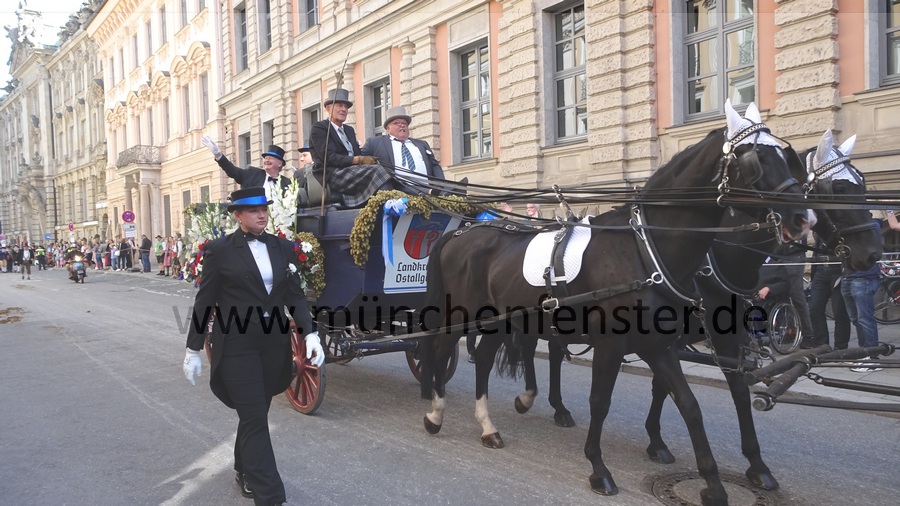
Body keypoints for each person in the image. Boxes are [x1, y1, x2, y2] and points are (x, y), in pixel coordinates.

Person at [181, 186, 324, 505]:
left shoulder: (282, 247)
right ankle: (270, 496)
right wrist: (192, 348)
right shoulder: (219, 250)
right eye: (253, 210)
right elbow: (205, 301)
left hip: (273, 343)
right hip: (236, 345)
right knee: (256, 418)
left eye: (264, 209)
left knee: (255, 413)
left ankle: (243, 468)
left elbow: (295, 295)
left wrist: (309, 333)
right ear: (238, 215)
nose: (261, 214)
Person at [308, 88, 393, 207]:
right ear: (328, 108)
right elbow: (329, 157)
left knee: (385, 169)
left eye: (346, 107)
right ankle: (389, 208)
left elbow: (357, 152)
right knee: (378, 171)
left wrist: (370, 159)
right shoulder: (320, 128)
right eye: (340, 105)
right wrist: (357, 160)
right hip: (333, 174)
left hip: (353, 171)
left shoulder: (349, 130)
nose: (344, 109)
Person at [361, 106, 445, 192]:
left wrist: (441, 186)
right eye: (397, 123)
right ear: (388, 128)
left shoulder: (422, 144)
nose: (402, 125)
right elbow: (360, 161)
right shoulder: (375, 143)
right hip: (396, 192)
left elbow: (435, 166)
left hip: (428, 187)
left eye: (404, 123)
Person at [841, 219, 883, 372]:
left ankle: (872, 358)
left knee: (865, 318)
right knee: (855, 318)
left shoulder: (871, 225)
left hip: (864, 277)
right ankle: (863, 352)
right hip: (848, 276)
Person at [755, 244, 813, 344]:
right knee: (781, 294)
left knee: (795, 294)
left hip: (792, 253)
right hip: (776, 253)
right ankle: (789, 332)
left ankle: (808, 335)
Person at [201, 135, 294, 196]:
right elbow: (232, 171)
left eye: (270, 158)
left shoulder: (287, 183)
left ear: (279, 163)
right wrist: (218, 155)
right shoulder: (252, 174)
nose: (266, 160)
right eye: (265, 158)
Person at [802, 233, 851, 349]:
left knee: (839, 311)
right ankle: (821, 345)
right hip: (820, 269)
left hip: (838, 270)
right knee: (814, 308)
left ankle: (840, 347)